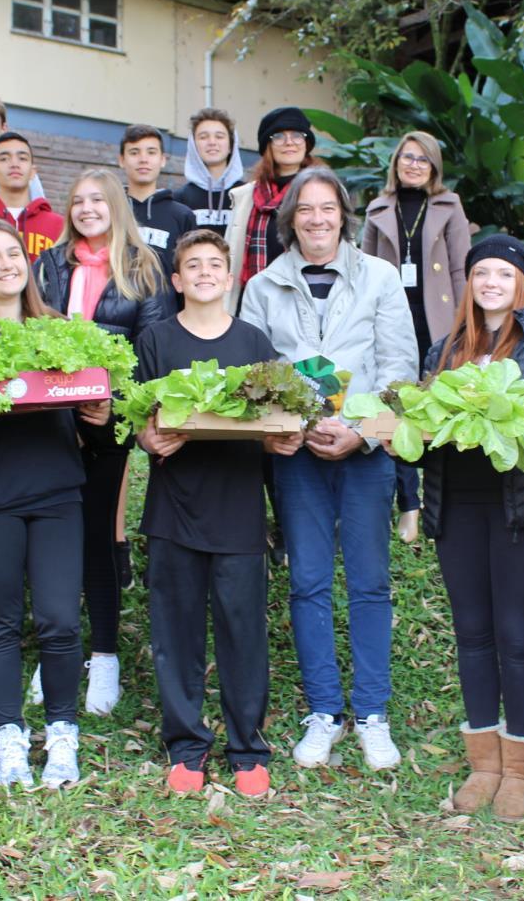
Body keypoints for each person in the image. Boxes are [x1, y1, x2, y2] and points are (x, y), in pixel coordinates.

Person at [239, 166, 417, 771]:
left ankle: (372, 713)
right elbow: (252, 377)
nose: (317, 219)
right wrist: (286, 430)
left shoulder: (381, 279)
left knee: (368, 584)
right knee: (308, 582)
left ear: (345, 214)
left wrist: (361, 432)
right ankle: (325, 711)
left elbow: (399, 370)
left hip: (364, 455)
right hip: (298, 456)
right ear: (289, 219)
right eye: (305, 210)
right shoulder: (264, 286)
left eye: (328, 208)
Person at [411, 234, 524, 820]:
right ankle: (483, 763)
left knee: (515, 634)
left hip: (522, 511)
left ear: (523, 284)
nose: (491, 282)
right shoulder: (444, 350)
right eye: (481, 272)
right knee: (471, 633)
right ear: (468, 282)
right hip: (457, 507)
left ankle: (520, 768)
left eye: (503, 273)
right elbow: (419, 438)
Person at [0, 219, 115, 788]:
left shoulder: (64, 332)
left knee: (61, 621)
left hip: (57, 493)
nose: (5, 265)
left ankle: (62, 736)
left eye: (12, 253)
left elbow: (92, 422)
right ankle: (9, 738)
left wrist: (100, 415)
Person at [134, 229, 302, 797]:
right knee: (176, 636)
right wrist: (147, 440)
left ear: (229, 279)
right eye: (193, 266)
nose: (205, 272)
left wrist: (280, 441)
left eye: (215, 264)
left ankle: (248, 749)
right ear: (177, 281)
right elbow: (139, 417)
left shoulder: (254, 342)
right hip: (174, 511)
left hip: (238, 512)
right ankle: (186, 747)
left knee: (243, 634)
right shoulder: (155, 339)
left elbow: (276, 420)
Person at [35, 167, 174, 716]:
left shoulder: (142, 268)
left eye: (97, 199)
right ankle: (56, 656)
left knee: (97, 538)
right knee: (53, 542)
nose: (87, 208)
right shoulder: (47, 264)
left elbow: (154, 348)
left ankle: (105, 654)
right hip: (47, 424)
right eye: (78, 200)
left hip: (107, 423)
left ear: (116, 205)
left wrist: (115, 403)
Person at [362, 131, 471, 544]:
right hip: (391, 319)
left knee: (435, 405)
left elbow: (462, 267)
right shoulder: (377, 208)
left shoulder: (449, 205)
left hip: (437, 319)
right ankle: (408, 503)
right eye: (406, 157)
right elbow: (365, 270)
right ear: (395, 162)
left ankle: (438, 499)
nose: (413, 164)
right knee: (396, 405)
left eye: (422, 159)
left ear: (434, 166)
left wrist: (464, 321)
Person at [226, 106, 321, 313]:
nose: (289, 142)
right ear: (267, 145)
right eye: (278, 136)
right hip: (253, 301)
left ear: (306, 143)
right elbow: (232, 256)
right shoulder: (246, 196)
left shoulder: (322, 192)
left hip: (307, 301)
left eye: (297, 135)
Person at [120, 123, 196, 275]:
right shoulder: (109, 211)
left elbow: (189, 272)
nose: (143, 159)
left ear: (162, 159)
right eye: (134, 152)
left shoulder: (182, 216)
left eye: (151, 152)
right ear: (122, 160)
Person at [0, 131, 64, 262]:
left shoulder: (59, 225)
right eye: (4, 159)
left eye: (22, 158)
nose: (14, 164)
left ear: (33, 172)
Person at [175, 108, 246, 230]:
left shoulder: (247, 196)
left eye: (219, 136)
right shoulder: (179, 199)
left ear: (231, 146)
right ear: (193, 146)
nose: (212, 142)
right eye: (203, 137)